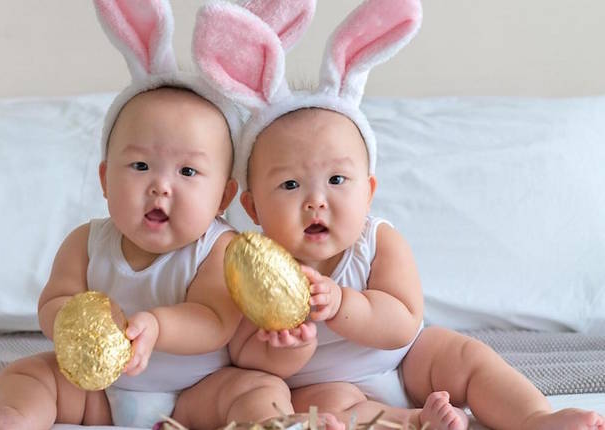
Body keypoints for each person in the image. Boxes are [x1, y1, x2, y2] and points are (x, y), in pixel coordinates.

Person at [193, 0, 605, 429]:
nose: (316, 201)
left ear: (368, 192)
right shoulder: (248, 264)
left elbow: (402, 322)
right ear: (253, 206)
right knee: (328, 408)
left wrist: (340, 304)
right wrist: (281, 345)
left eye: (337, 180)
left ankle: (533, 417)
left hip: (406, 358)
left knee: (464, 355)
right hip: (324, 380)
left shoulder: (378, 242)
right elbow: (241, 353)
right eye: (291, 185)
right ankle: (410, 421)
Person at [0, 1, 294, 429]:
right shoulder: (86, 243)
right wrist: (74, 317)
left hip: (195, 393)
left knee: (260, 390)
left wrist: (156, 327)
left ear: (223, 197)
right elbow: (53, 302)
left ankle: (270, 424)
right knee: (27, 373)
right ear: (106, 180)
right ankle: (13, 418)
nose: (160, 186)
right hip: (98, 394)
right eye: (140, 166)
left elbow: (215, 320)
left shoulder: (218, 250)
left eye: (187, 171)